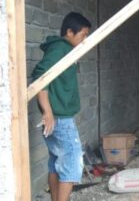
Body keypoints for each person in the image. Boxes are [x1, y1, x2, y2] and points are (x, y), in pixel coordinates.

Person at [32, 12, 91, 201]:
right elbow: (40, 79)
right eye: (83, 35)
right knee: (73, 162)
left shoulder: (65, 50)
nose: (85, 40)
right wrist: (48, 111)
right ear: (69, 32)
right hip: (59, 118)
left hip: (57, 117)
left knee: (56, 162)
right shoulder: (59, 49)